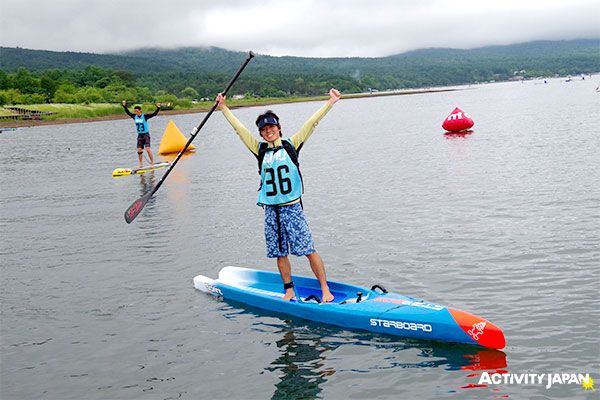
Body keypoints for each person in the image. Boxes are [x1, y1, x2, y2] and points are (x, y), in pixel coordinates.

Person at [216, 88, 341, 302]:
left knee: (308, 249)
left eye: (271, 127)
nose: (268, 131)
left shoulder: (292, 144)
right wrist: (224, 109)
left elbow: (311, 123)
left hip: (292, 207)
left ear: (279, 128)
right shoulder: (260, 150)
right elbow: (240, 130)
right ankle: (289, 289)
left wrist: (331, 102)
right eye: (264, 129)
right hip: (271, 210)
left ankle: (325, 289)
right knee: (279, 252)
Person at [122, 100, 161, 168]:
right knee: (139, 150)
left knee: (148, 149)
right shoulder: (134, 116)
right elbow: (128, 112)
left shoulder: (145, 116)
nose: (136, 112)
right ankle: (140, 164)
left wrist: (158, 108)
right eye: (135, 111)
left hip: (146, 134)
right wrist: (124, 106)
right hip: (140, 135)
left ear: (140, 111)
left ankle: (152, 163)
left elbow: (154, 114)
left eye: (137, 111)